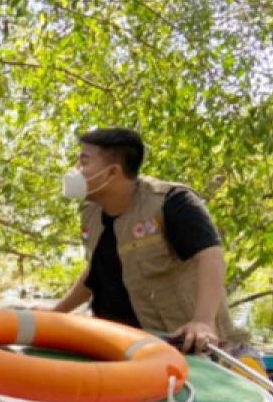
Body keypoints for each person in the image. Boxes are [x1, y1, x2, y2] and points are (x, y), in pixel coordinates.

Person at [53, 128, 255, 363]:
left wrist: (203, 321)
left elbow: (210, 255)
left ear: (112, 172)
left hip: (186, 347)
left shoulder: (171, 202)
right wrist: (56, 313)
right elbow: (95, 273)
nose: (76, 170)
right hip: (123, 346)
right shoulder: (91, 213)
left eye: (84, 161)